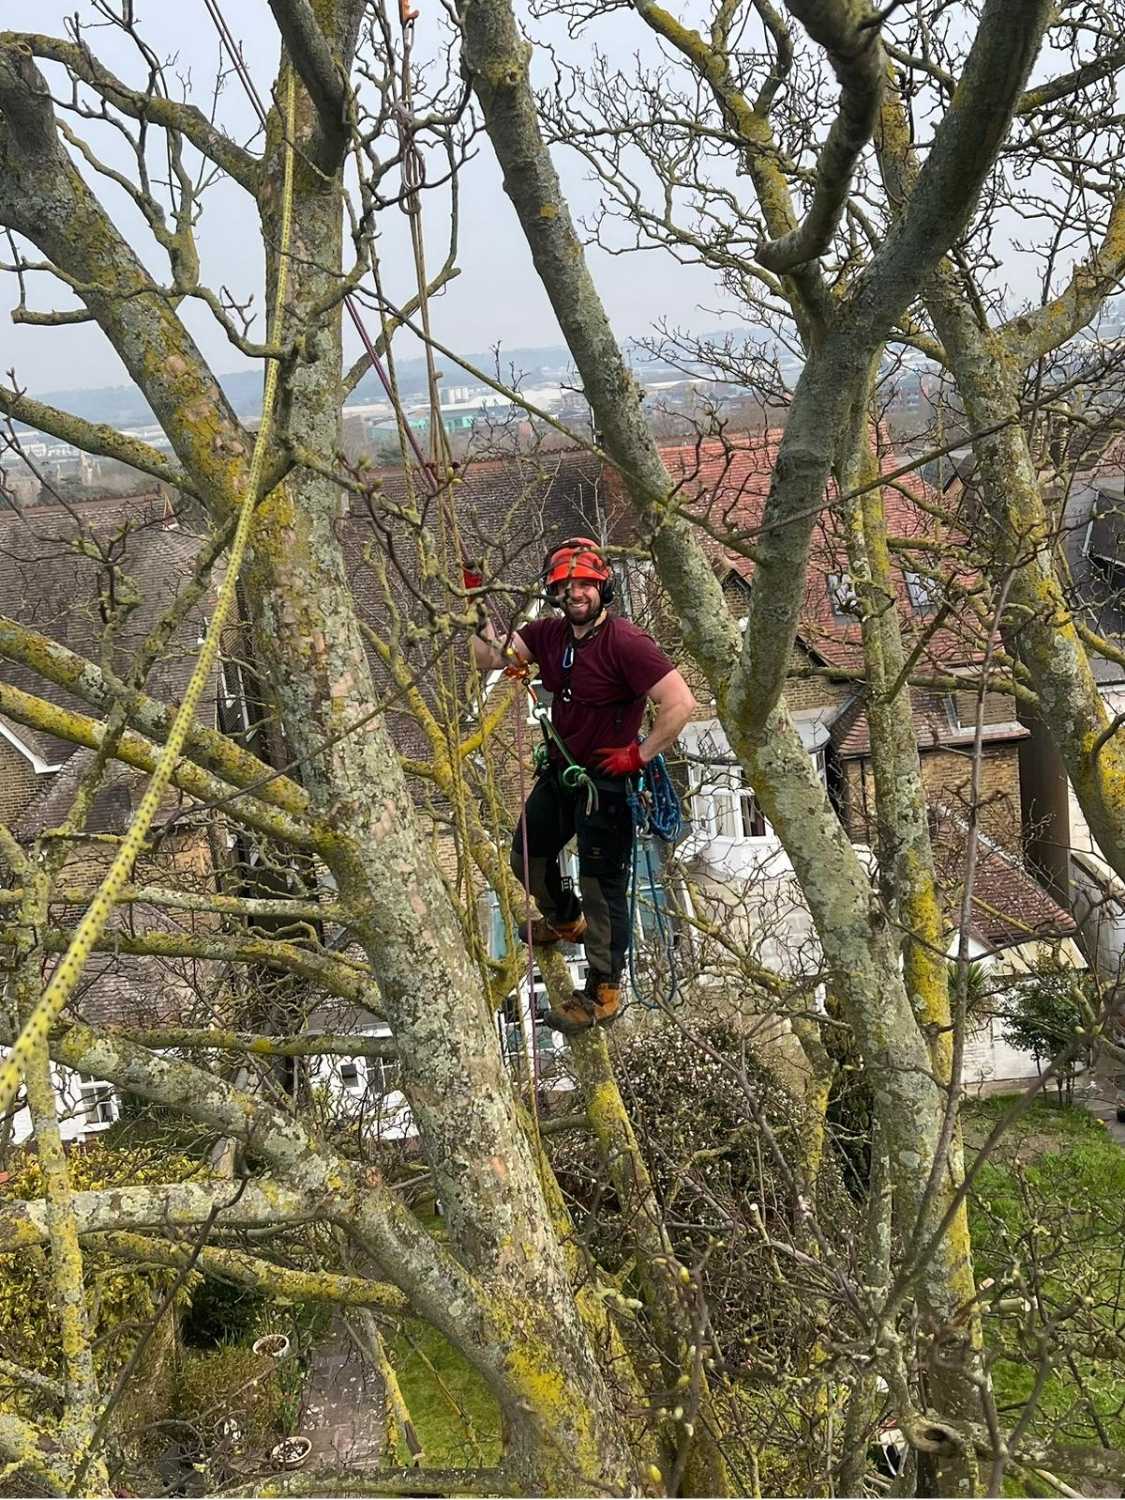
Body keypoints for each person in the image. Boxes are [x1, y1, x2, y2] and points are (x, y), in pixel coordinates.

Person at [470, 537, 696, 1033]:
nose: (575, 593)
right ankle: (564, 920)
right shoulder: (548, 637)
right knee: (524, 857)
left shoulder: (626, 643)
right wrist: (474, 599)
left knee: (603, 888)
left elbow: (680, 703)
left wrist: (640, 754)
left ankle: (603, 992)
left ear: (601, 588)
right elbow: (488, 656)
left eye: (584, 585)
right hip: (563, 772)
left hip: (607, 782)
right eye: (565, 585)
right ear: (555, 593)